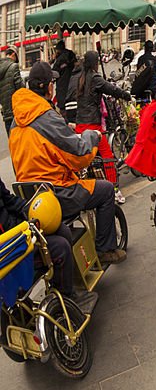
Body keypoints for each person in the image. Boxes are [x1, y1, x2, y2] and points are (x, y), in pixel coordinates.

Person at [9, 62, 125, 265]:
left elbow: (43, 144)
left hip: (31, 195)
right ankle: (105, 249)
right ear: (47, 87)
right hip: (58, 192)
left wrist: (66, 127)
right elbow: (79, 155)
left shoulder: (17, 120)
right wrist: (91, 136)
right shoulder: (45, 116)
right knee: (106, 190)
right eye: (52, 82)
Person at [0, 181, 95, 308]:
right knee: (60, 247)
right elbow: (6, 225)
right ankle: (66, 300)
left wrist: (30, 209)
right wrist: (29, 225)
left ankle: (64, 287)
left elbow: (9, 200)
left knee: (63, 230)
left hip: (19, 232)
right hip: (9, 251)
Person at [65, 51, 133, 194]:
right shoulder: (95, 78)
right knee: (107, 157)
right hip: (93, 125)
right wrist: (126, 95)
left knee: (86, 158)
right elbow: (111, 89)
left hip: (80, 124)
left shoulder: (80, 78)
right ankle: (114, 189)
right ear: (95, 63)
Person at [0, 49, 23, 133]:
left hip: (6, 112)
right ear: (13, 54)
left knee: (12, 140)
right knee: (20, 141)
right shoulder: (14, 66)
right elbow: (20, 87)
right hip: (16, 111)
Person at [51, 41, 76, 115]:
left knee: (64, 113)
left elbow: (55, 73)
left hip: (62, 89)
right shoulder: (71, 55)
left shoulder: (59, 60)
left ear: (58, 50)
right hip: (73, 88)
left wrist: (53, 61)